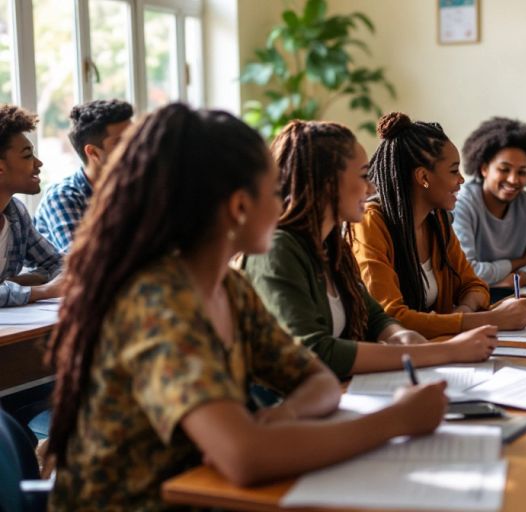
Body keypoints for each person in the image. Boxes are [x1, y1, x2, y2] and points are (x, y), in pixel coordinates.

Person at [46, 104, 448, 509]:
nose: (284, 204)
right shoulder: (158, 300)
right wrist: (396, 421)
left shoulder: (229, 287)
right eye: (275, 191)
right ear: (239, 207)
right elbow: (244, 456)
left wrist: (280, 418)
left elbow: (317, 380)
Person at [243, 120, 497, 378]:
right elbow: (314, 351)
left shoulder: (332, 245)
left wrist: (398, 334)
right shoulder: (277, 249)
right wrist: (446, 351)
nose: (372, 188)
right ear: (329, 182)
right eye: (364, 176)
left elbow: (375, 315)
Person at [352, 112, 526, 339]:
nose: (461, 179)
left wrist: (464, 312)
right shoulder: (369, 224)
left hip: (439, 346)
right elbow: (391, 318)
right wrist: (488, 319)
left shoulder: (437, 221)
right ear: (423, 177)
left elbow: (475, 286)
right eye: (453, 170)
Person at [452, 117, 526, 287]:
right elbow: (467, 270)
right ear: (484, 169)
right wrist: (523, 260)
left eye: (522, 172)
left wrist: (514, 281)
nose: (513, 180)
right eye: (504, 169)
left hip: (514, 295)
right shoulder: (462, 203)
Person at [34, 99, 133, 253]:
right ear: (93, 153)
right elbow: (84, 263)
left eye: (135, 137)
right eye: (121, 142)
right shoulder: (63, 197)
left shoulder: (134, 188)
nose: (135, 146)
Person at [0, 104, 62, 306]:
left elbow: (58, 263)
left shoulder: (16, 213)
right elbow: (51, 286)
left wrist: (14, 283)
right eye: (27, 155)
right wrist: (44, 290)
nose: (38, 163)